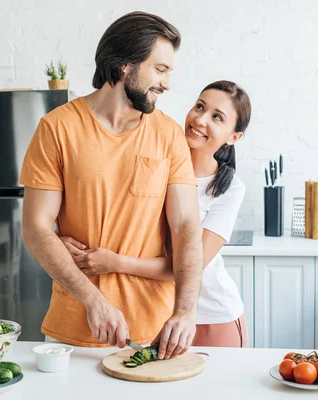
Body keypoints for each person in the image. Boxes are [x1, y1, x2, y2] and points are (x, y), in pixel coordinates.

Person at [19, 11, 203, 359]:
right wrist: (94, 301)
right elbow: (36, 228)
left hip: (154, 337)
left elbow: (186, 227)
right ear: (125, 66)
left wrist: (185, 312)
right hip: (74, 333)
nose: (167, 84)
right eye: (160, 70)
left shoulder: (167, 135)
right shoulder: (57, 128)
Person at [63, 80, 251, 347]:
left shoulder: (229, 188)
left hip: (211, 316)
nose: (200, 119)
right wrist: (58, 238)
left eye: (217, 117)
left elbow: (188, 264)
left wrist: (115, 262)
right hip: (155, 313)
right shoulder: (159, 160)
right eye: (199, 106)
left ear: (234, 137)